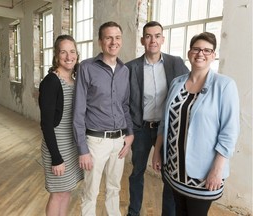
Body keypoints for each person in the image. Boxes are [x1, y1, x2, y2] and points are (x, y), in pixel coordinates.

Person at [152, 32, 240, 216]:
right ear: (189, 52)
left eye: (207, 50)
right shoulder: (177, 83)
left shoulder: (224, 86)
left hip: (203, 174)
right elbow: (164, 122)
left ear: (213, 55)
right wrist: (157, 152)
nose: (201, 53)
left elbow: (229, 132)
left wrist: (217, 169)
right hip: (174, 171)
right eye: (196, 49)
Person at [126, 21, 189, 216]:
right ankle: (133, 212)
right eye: (148, 36)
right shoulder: (131, 67)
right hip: (141, 128)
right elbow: (124, 101)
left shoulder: (175, 63)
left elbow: (189, 90)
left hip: (167, 129)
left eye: (157, 36)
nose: (153, 40)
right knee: (137, 173)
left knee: (168, 176)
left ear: (162, 39)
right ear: (142, 40)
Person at [73, 21, 134, 216]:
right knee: (91, 192)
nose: (113, 42)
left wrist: (130, 134)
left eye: (117, 38)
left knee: (114, 189)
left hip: (119, 142)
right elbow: (78, 110)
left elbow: (125, 106)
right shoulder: (86, 67)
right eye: (108, 37)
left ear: (121, 41)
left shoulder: (125, 71)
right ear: (101, 42)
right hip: (96, 142)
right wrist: (82, 149)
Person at [38, 35, 83, 216]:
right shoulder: (51, 82)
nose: (68, 56)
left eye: (72, 51)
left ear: (77, 55)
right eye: (63, 52)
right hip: (57, 147)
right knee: (57, 194)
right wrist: (56, 158)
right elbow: (46, 125)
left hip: (71, 147)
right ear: (56, 56)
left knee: (66, 192)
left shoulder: (74, 80)